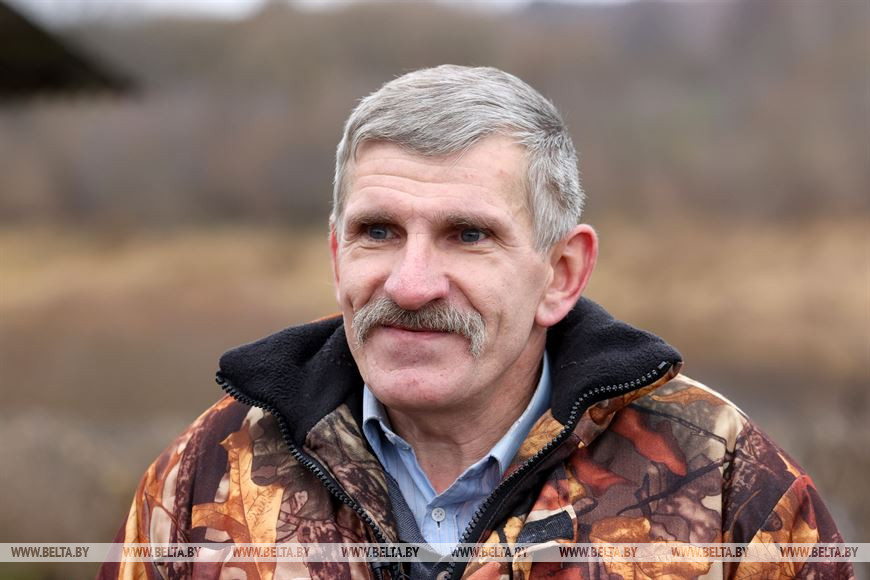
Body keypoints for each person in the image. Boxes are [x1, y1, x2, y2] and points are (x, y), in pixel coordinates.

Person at [99, 65, 851, 579]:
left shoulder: (726, 480)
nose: (411, 284)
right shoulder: (208, 471)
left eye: (468, 234)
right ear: (335, 255)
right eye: (378, 231)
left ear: (561, 274)